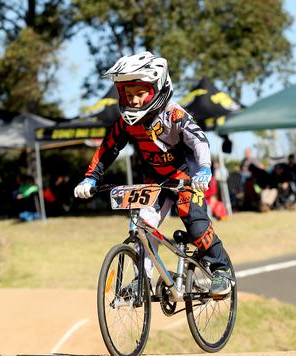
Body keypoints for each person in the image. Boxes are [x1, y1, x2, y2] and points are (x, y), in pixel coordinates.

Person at [73, 51, 232, 296]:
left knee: (196, 225)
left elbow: (200, 141)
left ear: (157, 88)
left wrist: (204, 169)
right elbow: (108, 148)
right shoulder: (127, 122)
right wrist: (91, 177)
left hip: (186, 177)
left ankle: (222, 270)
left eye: (140, 93)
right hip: (155, 181)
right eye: (128, 94)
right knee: (141, 228)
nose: (134, 100)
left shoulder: (175, 115)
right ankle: (142, 280)